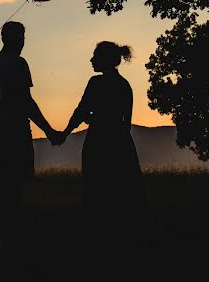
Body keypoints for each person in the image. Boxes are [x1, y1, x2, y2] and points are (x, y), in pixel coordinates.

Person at [0, 21, 63, 250]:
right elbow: (27, 102)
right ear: (17, 39)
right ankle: (7, 235)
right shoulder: (18, 64)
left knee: (5, 183)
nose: (23, 42)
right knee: (16, 186)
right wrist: (49, 131)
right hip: (16, 132)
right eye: (22, 37)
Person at [61, 41, 146, 251]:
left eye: (94, 57)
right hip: (121, 144)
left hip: (98, 142)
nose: (91, 60)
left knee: (96, 190)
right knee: (120, 190)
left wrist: (63, 134)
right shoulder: (125, 85)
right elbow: (126, 123)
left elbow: (81, 111)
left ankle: (96, 240)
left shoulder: (96, 83)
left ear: (104, 60)